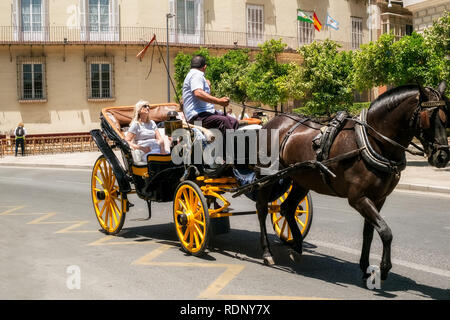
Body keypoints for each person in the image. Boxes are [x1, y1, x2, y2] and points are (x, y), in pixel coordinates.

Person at [182, 55, 239, 136]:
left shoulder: (194, 75)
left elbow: (201, 96)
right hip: (197, 116)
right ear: (205, 67)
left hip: (205, 113)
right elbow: (198, 93)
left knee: (234, 121)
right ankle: (230, 148)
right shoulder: (196, 74)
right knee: (224, 121)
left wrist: (208, 87)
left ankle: (227, 145)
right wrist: (219, 101)